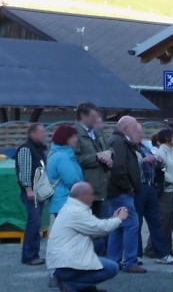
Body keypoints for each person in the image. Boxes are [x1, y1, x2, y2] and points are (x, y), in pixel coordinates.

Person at [46, 182, 129, 292]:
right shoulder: (76, 212)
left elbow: (94, 228)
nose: (93, 198)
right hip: (64, 264)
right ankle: (70, 284)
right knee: (112, 268)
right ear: (84, 196)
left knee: (98, 243)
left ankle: (84, 286)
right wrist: (120, 219)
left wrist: (113, 219)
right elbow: (101, 228)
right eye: (92, 195)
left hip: (63, 261)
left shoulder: (71, 208)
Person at [106, 116, 146, 273]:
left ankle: (114, 261)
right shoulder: (119, 142)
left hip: (118, 191)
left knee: (117, 225)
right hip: (121, 192)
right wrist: (128, 187)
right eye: (134, 128)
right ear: (125, 128)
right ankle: (130, 261)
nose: (137, 131)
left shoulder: (119, 141)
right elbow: (118, 168)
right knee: (131, 224)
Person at [75, 103, 113, 256]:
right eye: (93, 116)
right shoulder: (75, 134)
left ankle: (103, 257)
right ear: (83, 116)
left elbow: (108, 148)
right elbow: (76, 160)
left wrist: (109, 153)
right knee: (89, 228)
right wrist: (97, 157)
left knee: (103, 225)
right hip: (87, 188)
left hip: (103, 187)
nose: (96, 119)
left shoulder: (97, 132)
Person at [14, 123, 47, 266]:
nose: (44, 135)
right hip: (32, 193)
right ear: (33, 133)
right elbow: (25, 171)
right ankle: (30, 256)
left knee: (35, 223)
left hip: (38, 192)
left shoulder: (38, 148)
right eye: (42, 132)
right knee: (34, 222)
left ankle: (32, 254)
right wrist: (29, 190)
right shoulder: (26, 149)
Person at [136, 136, 173, 263]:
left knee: (156, 221)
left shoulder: (144, 147)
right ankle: (136, 255)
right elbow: (126, 165)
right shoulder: (128, 148)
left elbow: (156, 165)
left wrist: (158, 160)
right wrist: (142, 161)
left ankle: (162, 254)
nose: (140, 135)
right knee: (137, 223)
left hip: (151, 186)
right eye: (137, 132)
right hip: (138, 187)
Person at [46, 124, 84, 226]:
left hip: (59, 201)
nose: (76, 139)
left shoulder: (55, 154)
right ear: (65, 138)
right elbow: (72, 180)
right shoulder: (62, 157)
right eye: (73, 137)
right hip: (65, 201)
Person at [152, 129, 173, 256]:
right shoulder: (162, 152)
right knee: (163, 220)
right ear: (167, 138)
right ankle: (153, 248)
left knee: (170, 221)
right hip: (166, 190)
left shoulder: (169, 151)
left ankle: (167, 248)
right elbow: (160, 171)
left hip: (172, 190)